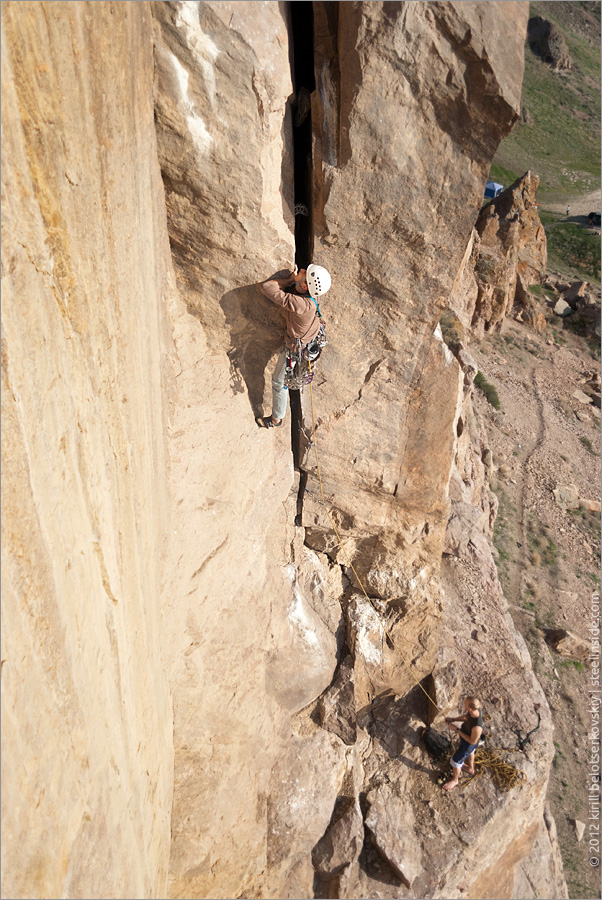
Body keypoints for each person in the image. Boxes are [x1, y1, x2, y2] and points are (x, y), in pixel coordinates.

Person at [256, 264, 331, 428]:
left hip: (295, 348)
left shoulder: (300, 304)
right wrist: (296, 282)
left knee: (278, 381)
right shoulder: (312, 295)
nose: (302, 270)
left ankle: (276, 419)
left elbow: (267, 287)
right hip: (309, 342)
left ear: (305, 285)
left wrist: (290, 279)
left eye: (305, 272)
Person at [442, 696, 484, 791]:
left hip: (468, 744)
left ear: (469, 708)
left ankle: (455, 780)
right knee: (471, 752)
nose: (463, 704)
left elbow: (472, 741)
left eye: (465, 704)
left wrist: (456, 729)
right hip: (468, 742)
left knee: (455, 761)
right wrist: (453, 719)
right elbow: (466, 717)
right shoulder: (475, 711)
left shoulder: (477, 727)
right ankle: (470, 769)